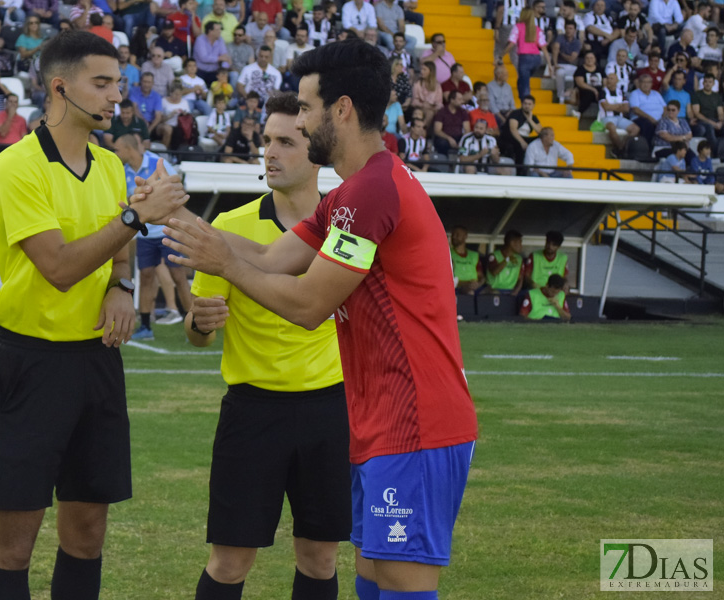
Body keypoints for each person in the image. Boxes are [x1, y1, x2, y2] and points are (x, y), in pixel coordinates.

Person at [163, 39, 477, 600]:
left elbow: (309, 306)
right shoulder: (352, 195)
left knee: (401, 588)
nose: (301, 123)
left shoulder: (372, 193)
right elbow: (266, 256)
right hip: (380, 422)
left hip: (415, 423)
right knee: (372, 582)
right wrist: (179, 218)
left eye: (305, 110)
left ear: (342, 110)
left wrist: (222, 262)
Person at [0, 30, 187, 600]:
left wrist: (122, 285)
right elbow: (60, 266)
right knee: (15, 538)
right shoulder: (18, 165)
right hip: (33, 360)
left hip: (97, 357)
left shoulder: (105, 163)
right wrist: (135, 217)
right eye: (101, 84)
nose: (113, 97)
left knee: (88, 530)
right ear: (59, 86)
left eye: (117, 85)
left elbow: (118, 252)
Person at [185, 91, 349, 600]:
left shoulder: (347, 226)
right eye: (265, 141)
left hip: (331, 409)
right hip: (252, 413)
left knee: (320, 560)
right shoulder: (228, 227)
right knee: (230, 562)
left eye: (286, 141)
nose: (270, 152)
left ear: (318, 149)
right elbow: (197, 333)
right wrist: (200, 320)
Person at [114, 132, 190, 337]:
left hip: (168, 229)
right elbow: (126, 202)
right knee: (146, 276)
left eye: (117, 149)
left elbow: (178, 187)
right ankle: (146, 327)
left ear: (129, 149)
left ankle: (194, 324)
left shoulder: (158, 163)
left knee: (179, 276)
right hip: (144, 233)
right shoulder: (123, 171)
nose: (115, 152)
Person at [505, 6, 546, 99]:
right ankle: (522, 98)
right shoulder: (537, 29)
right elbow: (544, 47)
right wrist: (550, 64)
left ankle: (525, 104)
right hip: (537, 59)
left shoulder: (518, 27)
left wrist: (501, 55)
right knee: (523, 80)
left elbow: (511, 43)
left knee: (525, 83)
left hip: (524, 58)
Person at [598, 71, 640, 154]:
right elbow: (606, 107)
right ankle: (621, 149)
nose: (609, 80)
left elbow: (626, 109)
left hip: (620, 118)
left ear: (616, 81)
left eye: (611, 78)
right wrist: (619, 106)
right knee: (611, 127)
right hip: (606, 118)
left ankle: (623, 146)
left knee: (636, 129)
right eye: (608, 78)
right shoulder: (602, 92)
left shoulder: (621, 92)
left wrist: (612, 106)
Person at [500, 94, 539, 167]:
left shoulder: (533, 117)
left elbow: (541, 132)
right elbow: (513, 129)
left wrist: (530, 120)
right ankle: (520, 170)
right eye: (525, 103)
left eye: (529, 104)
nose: (527, 106)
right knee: (519, 147)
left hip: (525, 138)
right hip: (512, 138)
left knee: (542, 138)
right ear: (522, 104)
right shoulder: (515, 113)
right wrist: (522, 142)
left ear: (533, 105)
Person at [691, 72, 723, 156]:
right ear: (703, 83)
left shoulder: (717, 96)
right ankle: (716, 155)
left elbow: (720, 112)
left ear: (713, 84)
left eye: (710, 82)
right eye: (706, 82)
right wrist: (713, 123)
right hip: (702, 121)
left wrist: (720, 122)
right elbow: (697, 113)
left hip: (715, 120)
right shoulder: (697, 95)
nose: (708, 84)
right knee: (709, 127)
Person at [432, 90, 469, 155]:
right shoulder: (442, 112)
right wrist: (449, 138)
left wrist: (462, 141)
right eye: (459, 99)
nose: (462, 102)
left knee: (467, 143)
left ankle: (462, 160)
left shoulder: (463, 112)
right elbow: (437, 130)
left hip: (459, 137)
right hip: (445, 137)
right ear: (452, 100)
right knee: (442, 143)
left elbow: (467, 129)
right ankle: (444, 162)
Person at [486, 229, 523, 294]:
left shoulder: (519, 258)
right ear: (512, 243)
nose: (521, 246)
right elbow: (495, 272)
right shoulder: (494, 256)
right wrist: (507, 259)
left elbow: (520, 278)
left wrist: (515, 292)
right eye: (520, 242)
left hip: (511, 291)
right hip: (494, 289)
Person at [450, 225, 484, 294]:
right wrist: (467, 283)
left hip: (475, 287)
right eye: (453, 234)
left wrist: (478, 284)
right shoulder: (447, 253)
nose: (453, 237)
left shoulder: (474, 255)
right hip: (458, 288)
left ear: (465, 236)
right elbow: (447, 279)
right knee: (469, 292)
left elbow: (481, 277)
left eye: (457, 235)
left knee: (492, 293)